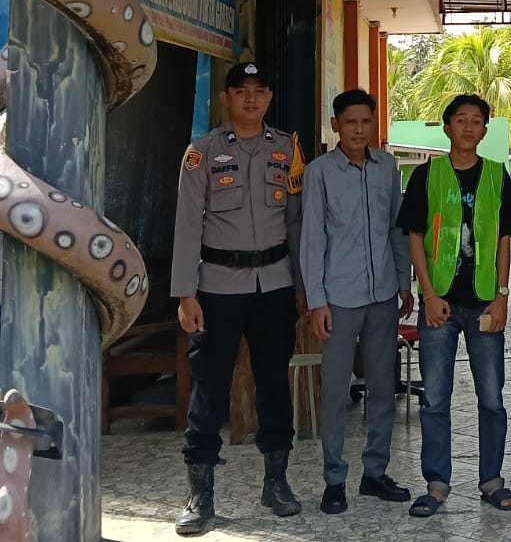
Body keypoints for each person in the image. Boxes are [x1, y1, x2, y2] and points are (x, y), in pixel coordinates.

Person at [171, 61, 305, 535]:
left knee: (274, 384)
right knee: (209, 387)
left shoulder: (287, 149)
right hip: (217, 287)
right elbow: (188, 224)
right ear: (225, 98)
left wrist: (303, 289)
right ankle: (200, 494)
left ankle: (277, 482)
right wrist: (185, 294)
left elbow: (295, 223)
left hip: (274, 285)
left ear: (269, 97)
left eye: (259, 90)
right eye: (241, 91)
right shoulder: (202, 153)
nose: (251, 98)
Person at [398, 93, 511, 517]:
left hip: (485, 303)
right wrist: (428, 295)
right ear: (447, 127)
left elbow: (504, 239)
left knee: (492, 398)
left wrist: (502, 296)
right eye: (461, 120)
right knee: (435, 398)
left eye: (477, 121)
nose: (469, 127)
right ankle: (436, 484)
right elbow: (415, 237)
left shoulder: (496, 175)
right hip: (440, 306)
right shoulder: (427, 174)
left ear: (485, 129)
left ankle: (492, 481)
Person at [301, 87, 414, 515]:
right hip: (338, 298)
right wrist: (317, 301)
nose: (359, 130)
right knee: (335, 391)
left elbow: (397, 230)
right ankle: (334, 479)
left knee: (383, 387)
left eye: (366, 121)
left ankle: (375, 473)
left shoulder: (387, 168)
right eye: (350, 122)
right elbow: (312, 239)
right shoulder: (319, 172)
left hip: (383, 294)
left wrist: (404, 282)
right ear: (336, 125)